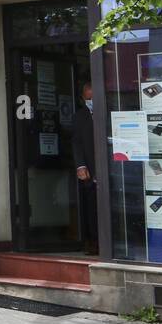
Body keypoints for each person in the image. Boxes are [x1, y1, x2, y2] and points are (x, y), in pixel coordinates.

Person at [74, 80, 100, 255]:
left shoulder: (107, 112)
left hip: (107, 170)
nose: (90, 100)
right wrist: (80, 165)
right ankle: (93, 241)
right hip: (89, 169)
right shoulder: (79, 116)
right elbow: (76, 142)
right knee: (91, 207)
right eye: (87, 98)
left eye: (93, 97)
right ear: (83, 98)